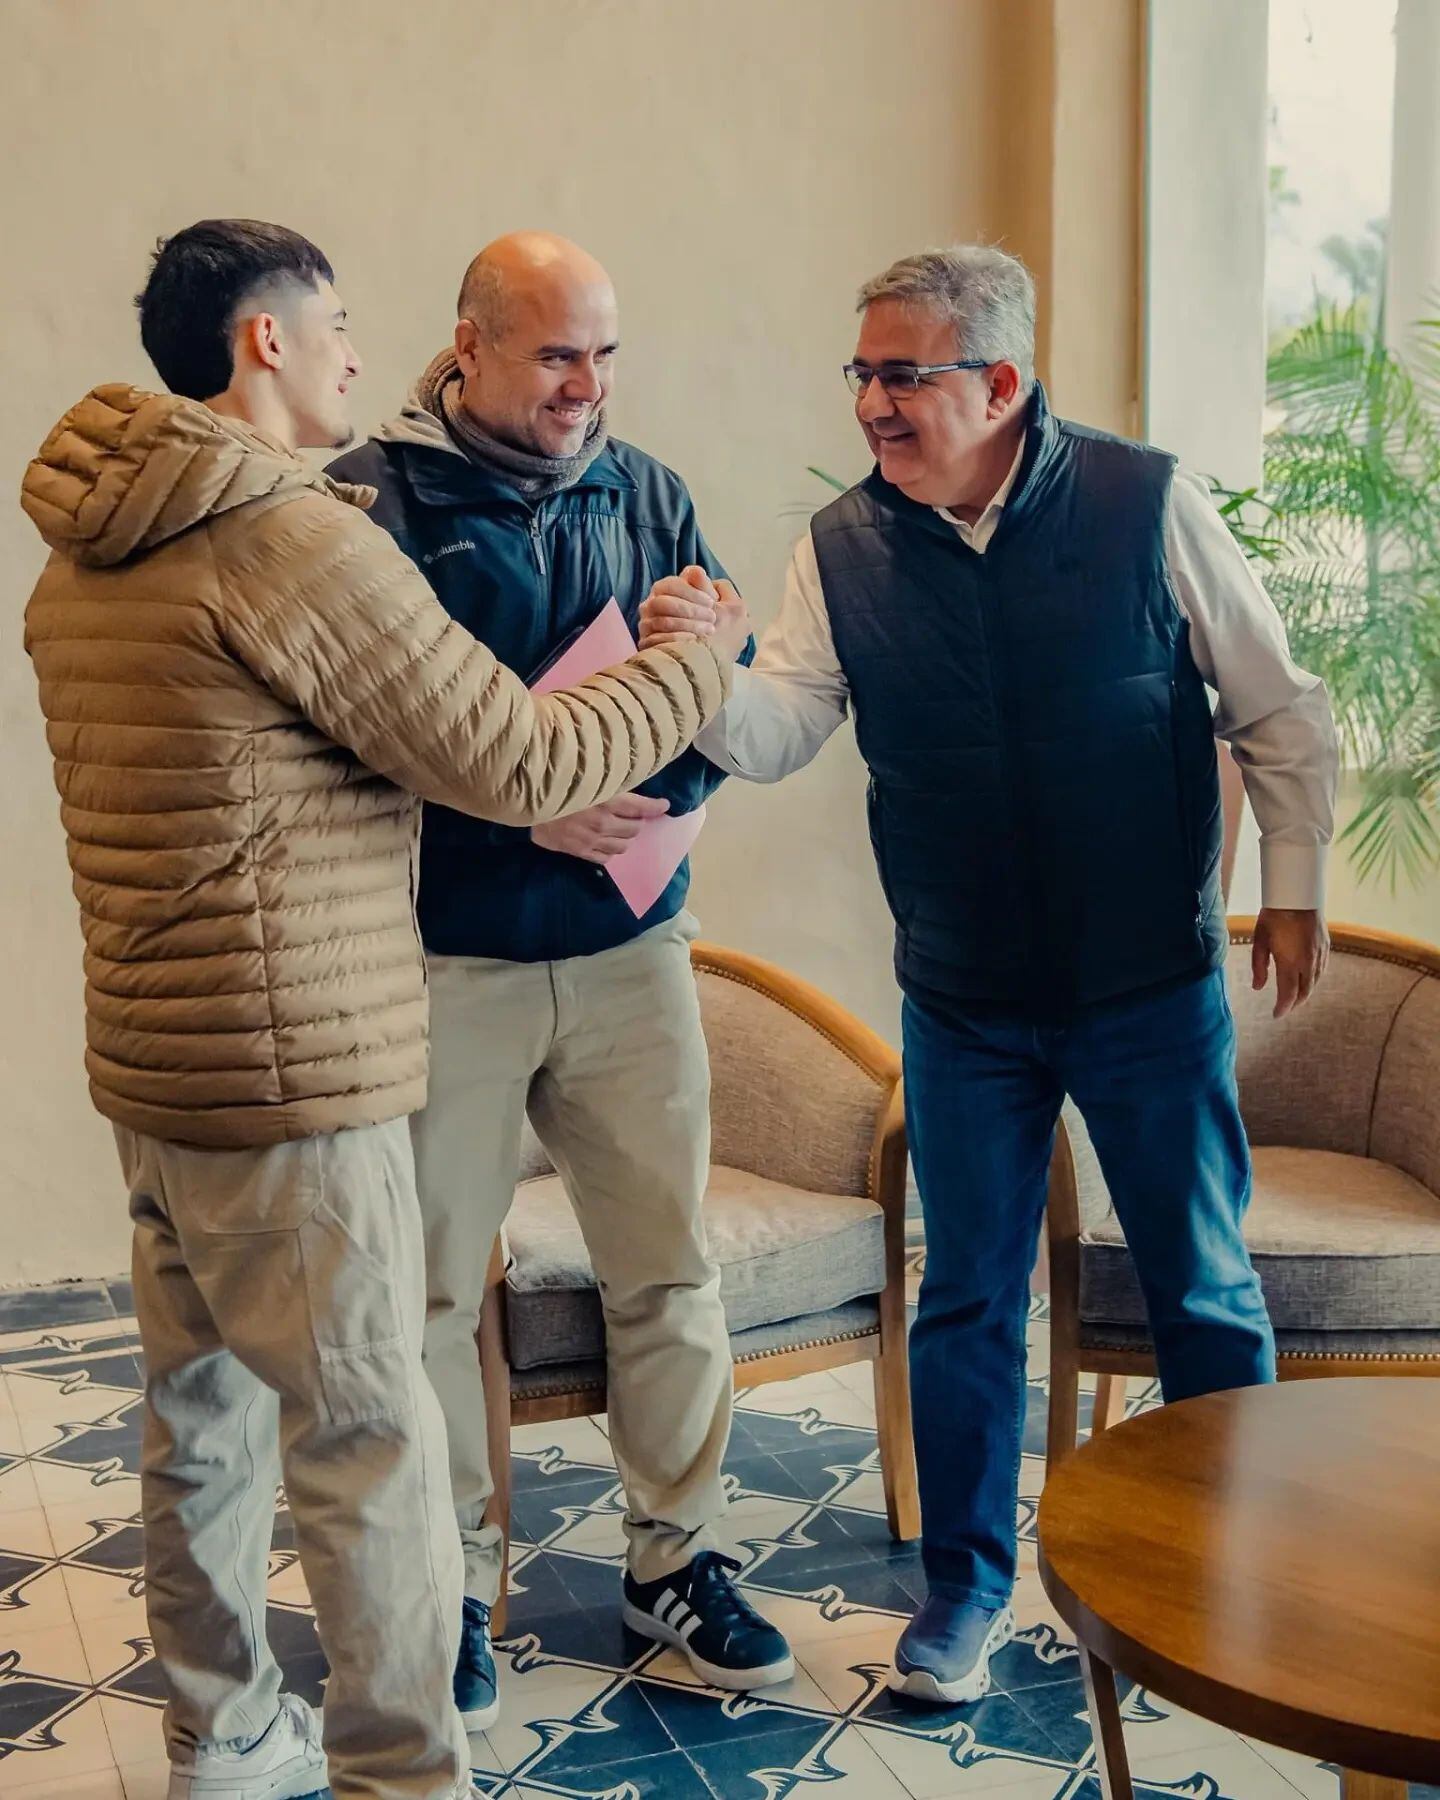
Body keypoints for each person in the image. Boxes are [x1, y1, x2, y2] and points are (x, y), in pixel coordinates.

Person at [20, 218, 746, 1800]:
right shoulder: (296, 538)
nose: (360, 351)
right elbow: (522, 759)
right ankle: (407, 1772)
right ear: (264, 340)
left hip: (160, 1067)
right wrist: (699, 659)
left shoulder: (79, 560)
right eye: (336, 321)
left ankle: (225, 1732)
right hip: (300, 1063)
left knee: (201, 1423)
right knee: (370, 1436)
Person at [640, 244, 1339, 1707]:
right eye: (862, 374)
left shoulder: (1145, 504)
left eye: (903, 375)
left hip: (1149, 987)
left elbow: (1276, 707)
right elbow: (778, 731)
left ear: (1001, 381)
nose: (871, 405)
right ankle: (962, 1593)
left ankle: (1227, 1574)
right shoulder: (841, 548)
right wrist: (703, 669)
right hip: (963, 1000)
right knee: (963, 1298)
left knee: (1203, 1284)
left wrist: (1292, 890)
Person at [327, 231, 791, 1723]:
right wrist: (512, 810)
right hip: (446, 963)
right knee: (428, 1294)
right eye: (553, 355)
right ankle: (452, 1584)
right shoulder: (368, 504)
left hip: (629, 952)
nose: (587, 384)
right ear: (467, 347)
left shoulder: (648, 493)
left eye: (603, 354)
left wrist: (688, 711)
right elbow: (336, 744)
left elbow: (720, 685)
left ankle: (676, 1563)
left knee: (669, 1270)